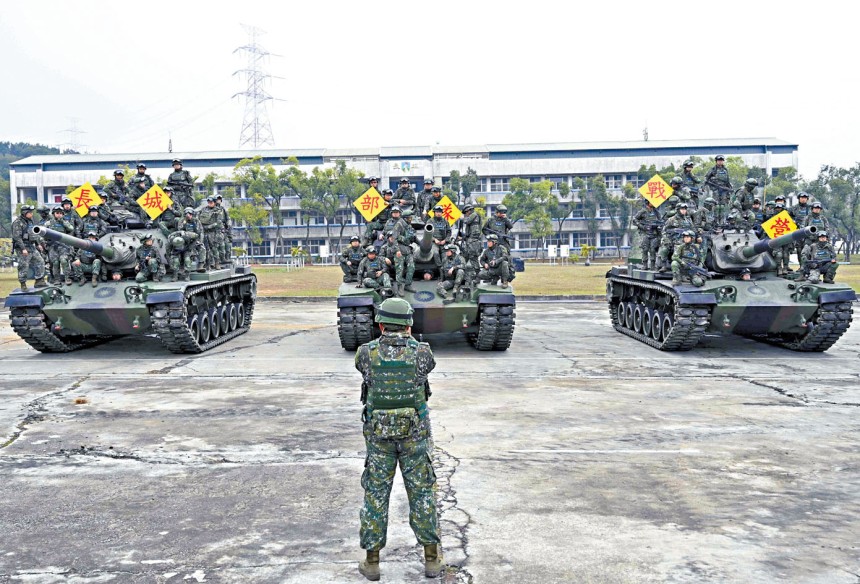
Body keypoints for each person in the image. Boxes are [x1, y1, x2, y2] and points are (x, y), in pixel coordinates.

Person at [354, 298, 442, 581]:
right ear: (408, 324)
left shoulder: (366, 353)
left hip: (379, 438)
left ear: (380, 323)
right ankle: (431, 559)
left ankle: (372, 562)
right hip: (414, 436)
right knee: (422, 493)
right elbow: (427, 367)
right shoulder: (422, 353)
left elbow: (363, 370)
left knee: (376, 495)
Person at [11, 205, 47, 291]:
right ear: (24, 213)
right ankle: (23, 284)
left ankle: (39, 281)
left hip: (31, 246)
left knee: (40, 261)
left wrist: (38, 244)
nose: (32, 214)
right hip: (22, 247)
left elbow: (33, 234)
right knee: (24, 266)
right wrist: (23, 249)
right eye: (30, 212)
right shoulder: (17, 223)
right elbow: (17, 237)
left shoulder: (30, 222)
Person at [657, 202, 697, 272]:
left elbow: (693, 229)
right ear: (678, 210)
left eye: (685, 209)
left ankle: (688, 267)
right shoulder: (671, 219)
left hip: (686, 240)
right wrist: (666, 240)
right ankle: (664, 266)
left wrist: (696, 236)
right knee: (664, 249)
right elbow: (664, 230)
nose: (684, 210)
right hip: (674, 240)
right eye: (682, 209)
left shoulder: (688, 219)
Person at [46, 206, 76, 285]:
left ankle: (67, 278)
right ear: (53, 214)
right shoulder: (48, 223)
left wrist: (63, 222)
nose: (59, 215)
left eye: (60, 213)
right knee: (55, 263)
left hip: (63, 246)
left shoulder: (65, 222)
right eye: (57, 213)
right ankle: (57, 280)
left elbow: (71, 228)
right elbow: (42, 234)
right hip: (53, 246)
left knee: (63, 261)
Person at [456, 204, 482, 282]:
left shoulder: (474, 214)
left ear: (469, 211)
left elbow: (466, 221)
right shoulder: (472, 217)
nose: (465, 214)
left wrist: (462, 217)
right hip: (469, 241)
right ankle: (462, 274)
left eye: (465, 213)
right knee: (464, 257)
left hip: (473, 242)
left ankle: (478, 276)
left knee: (473, 259)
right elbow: (468, 234)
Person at [633, 200, 662, 270]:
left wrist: (659, 227)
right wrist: (642, 227)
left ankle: (652, 266)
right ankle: (645, 265)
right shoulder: (643, 211)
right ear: (648, 202)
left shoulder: (656, 212)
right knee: (645, 249)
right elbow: (634, 220)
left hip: (654, 234)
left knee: (653, 250)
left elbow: (660, 221)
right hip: (645, 233)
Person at [704, 155, 732, 223]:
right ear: (716, 161)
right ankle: (716, 221)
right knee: (716, 205)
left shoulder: (725, 169)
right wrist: (710, 186)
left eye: (721, 161)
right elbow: (706, 178)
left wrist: (729, 188)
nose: (720, 162)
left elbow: (727, 180)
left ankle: (722, 221)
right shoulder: (713, 169)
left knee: (722, 206)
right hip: (716, 190)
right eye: (719, 161)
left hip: (724, 190)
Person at [176, 207, 207, 271]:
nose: (188, 216)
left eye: (190, 214)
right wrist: (184, 224)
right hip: (185, 241)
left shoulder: (196, 221)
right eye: (187, 214)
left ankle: (201, 265)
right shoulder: (182, 221)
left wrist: (200, 241)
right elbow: (180, 231)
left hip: (195, 240)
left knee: (202, 248)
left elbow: (201, 232)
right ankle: (181, 265)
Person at [199, 197, 223, 269]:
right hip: (204, 231)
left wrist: (209, 226)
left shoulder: (218, 211)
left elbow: (218, 223)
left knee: (214, 248)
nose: (209, 203)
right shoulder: (203, 209)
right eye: (208, 202)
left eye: (211, 202)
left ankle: (217, 263)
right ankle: (207, 264)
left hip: (213, 232)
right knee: (205, 248)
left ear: (215, 202)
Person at [427, 205, 451, 271]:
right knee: (435, 253)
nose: (438, 213)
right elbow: (427, 233)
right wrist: (434, 239)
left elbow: (449, 232)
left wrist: (445, 240)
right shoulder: (430, 221)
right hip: (434, 242)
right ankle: (440, 268)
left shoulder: (445, 221)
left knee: (446, 255)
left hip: (443, 242)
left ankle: (445, 268)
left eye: (440, 212)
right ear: (434, 212)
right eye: (437, 212)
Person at [215, 195, 232, 263]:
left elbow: (228, 218)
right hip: (215, 231)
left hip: (223, 230)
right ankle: (219, 260)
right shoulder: (212, 209)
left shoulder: (223, 209)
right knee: (220, 246)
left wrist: (228, 223)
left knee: (227, 245)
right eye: (217, 199)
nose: (218, 200)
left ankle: (227, 258)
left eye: (220, 199)